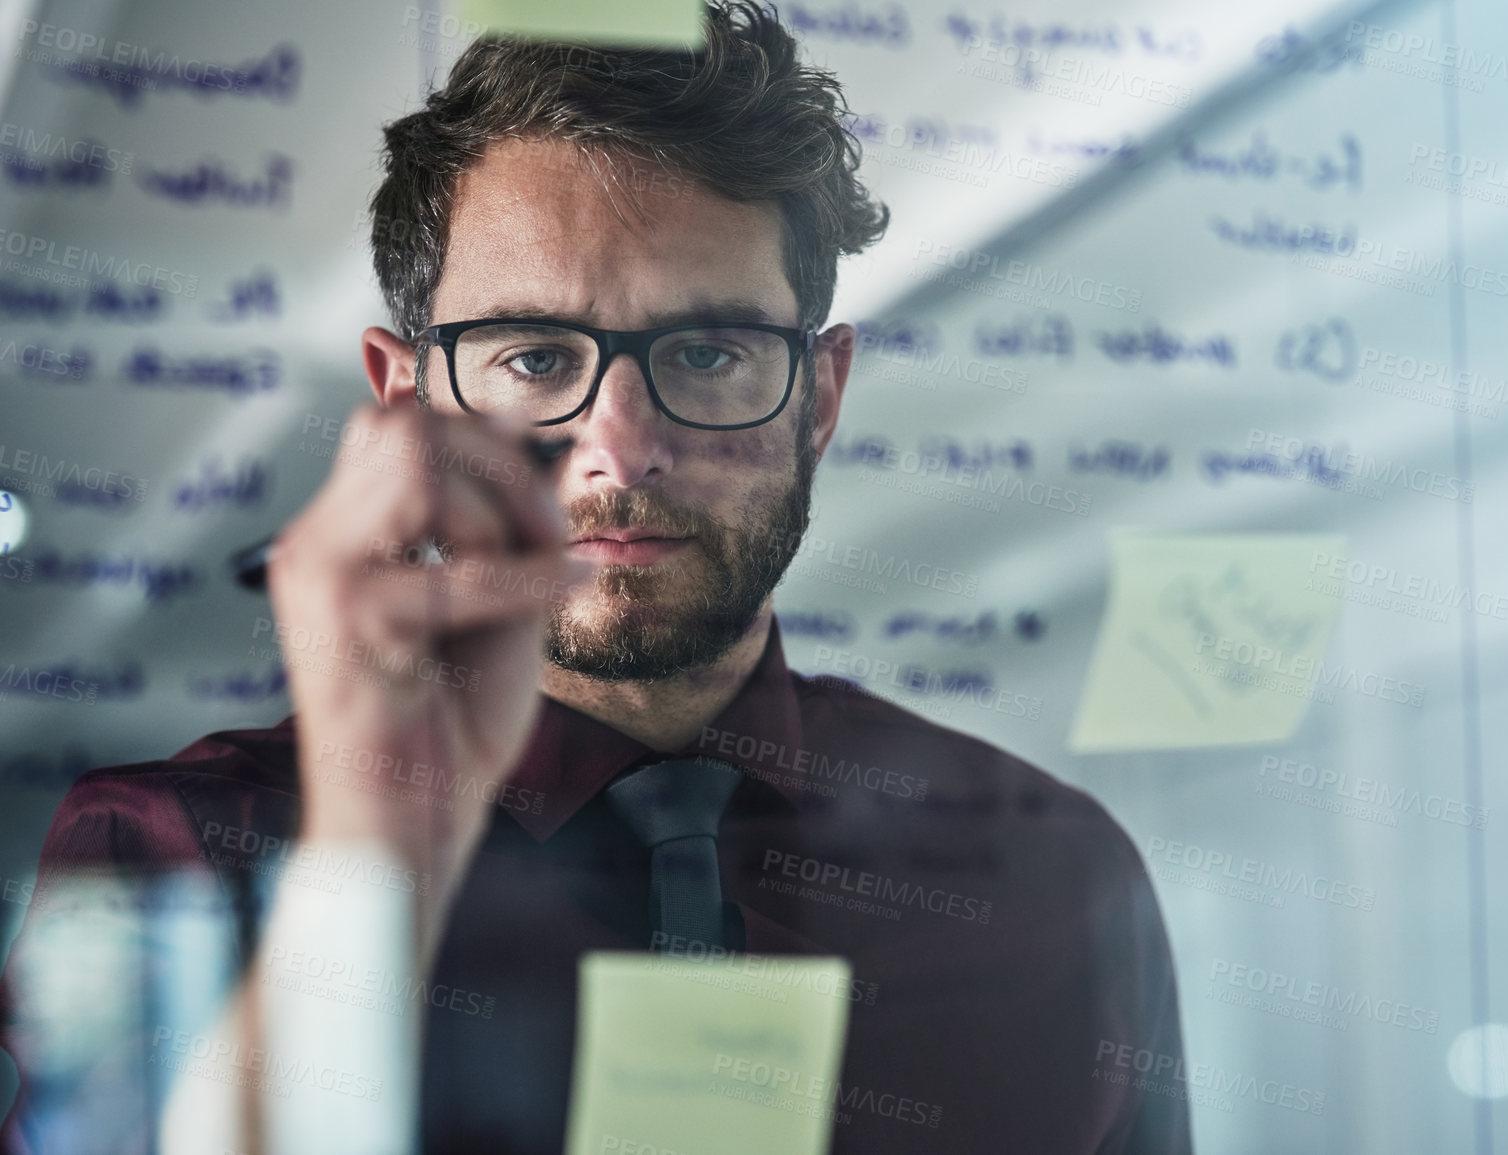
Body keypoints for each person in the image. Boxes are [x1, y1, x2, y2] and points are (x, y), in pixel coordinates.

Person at [0, 4, 1191, 1152]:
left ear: (820, 396)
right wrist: (372, 850)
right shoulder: (176, 852)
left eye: (711, 352)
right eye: (533, 355)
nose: (621, 448)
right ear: (405, 394)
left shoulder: (1057, 880)